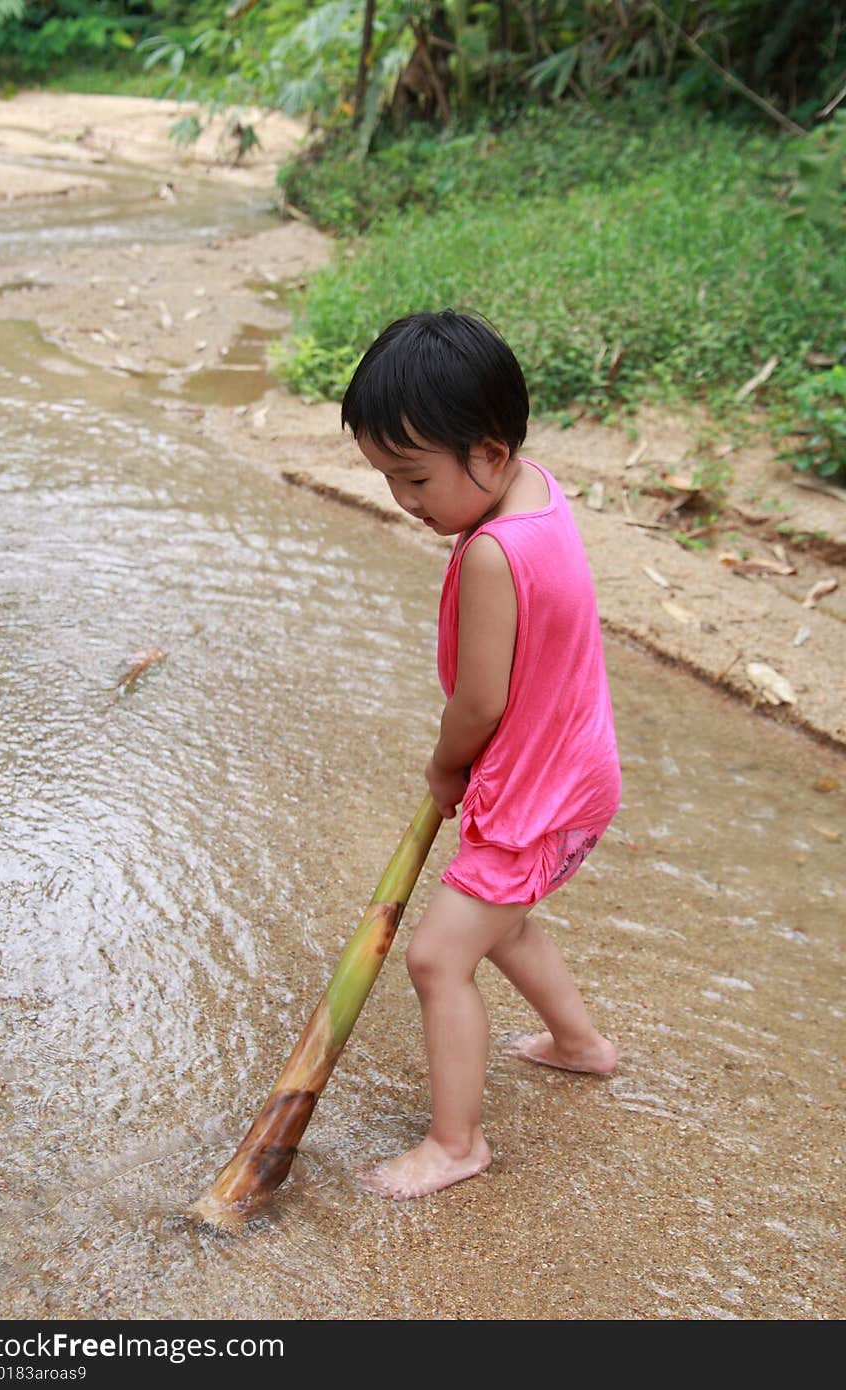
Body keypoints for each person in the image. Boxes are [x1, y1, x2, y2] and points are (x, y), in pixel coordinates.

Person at [341, 309, 621, 1200]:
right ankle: (580, 1047)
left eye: (415, 478)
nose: (405, 501)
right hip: (572, 774)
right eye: (389, 479)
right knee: (500, 922)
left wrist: (443, 764)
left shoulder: (498, 554)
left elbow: (480, 700)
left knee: (436, 957)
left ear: (489, 455)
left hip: (533, 793)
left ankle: (456, 1143)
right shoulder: (535, 490)